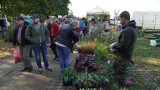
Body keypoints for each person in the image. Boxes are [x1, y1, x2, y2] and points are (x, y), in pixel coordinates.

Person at [110, 11, 137, 87]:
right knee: (115, 66)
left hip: (124, 56)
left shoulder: (127, 30)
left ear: (124, 18)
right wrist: (117, 43)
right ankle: (116, 82)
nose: (120, 20)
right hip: (124, 54)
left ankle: (122, 86)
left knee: (121, 75)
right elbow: (125, 42)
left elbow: (123, 46)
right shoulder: (132, 28)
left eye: (120, 18)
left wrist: (114, 45)